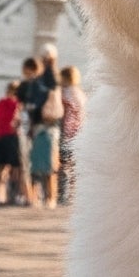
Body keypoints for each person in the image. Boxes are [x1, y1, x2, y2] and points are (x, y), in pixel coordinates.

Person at [29, 69, 65, 209]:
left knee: (47, 166)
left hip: (47, 131)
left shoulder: (50, 92)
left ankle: (49, 197)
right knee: (42, 166)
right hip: (45, 130)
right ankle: (42, 197)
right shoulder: (54, 92)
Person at [0, 82, 25, 205]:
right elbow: (18, 122)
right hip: (12, 138)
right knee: (15, 169)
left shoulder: (1, 102)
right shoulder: (18, 105)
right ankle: (13, 196)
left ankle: (0, 196)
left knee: (0, 169)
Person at [58, 63, 86, 203]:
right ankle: (74, 194)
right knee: (75, 165)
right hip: (80, 132)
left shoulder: (64, 93)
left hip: (67, 131)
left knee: (63, 164)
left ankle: (63, 195)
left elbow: (61, 113)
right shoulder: (81, 93)